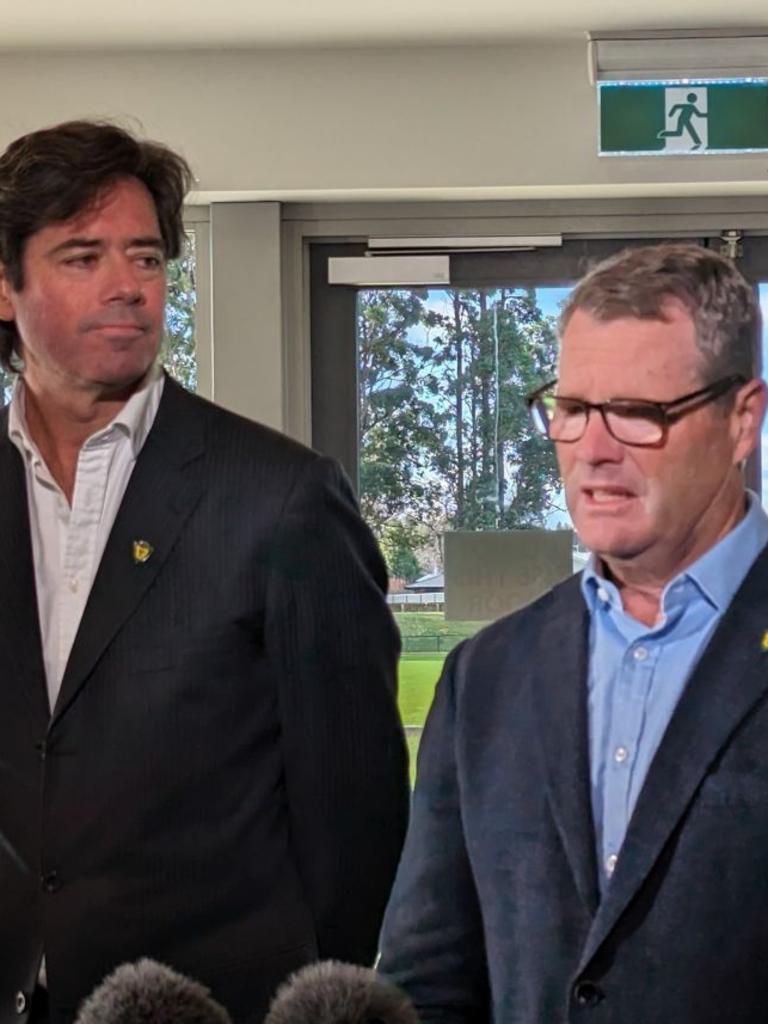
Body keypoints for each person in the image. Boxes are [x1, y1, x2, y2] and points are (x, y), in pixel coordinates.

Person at [0, 120, 409, 1024]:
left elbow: (357, 818)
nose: (125, 288)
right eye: (81, 257)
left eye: (145, 259)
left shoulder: (283, 499)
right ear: (5, 285)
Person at [378, 242, 768, 1023]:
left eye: (638, 413)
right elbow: (429, 977)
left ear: (742, 420)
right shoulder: (484, 677)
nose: (593, 449)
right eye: (573, 408)